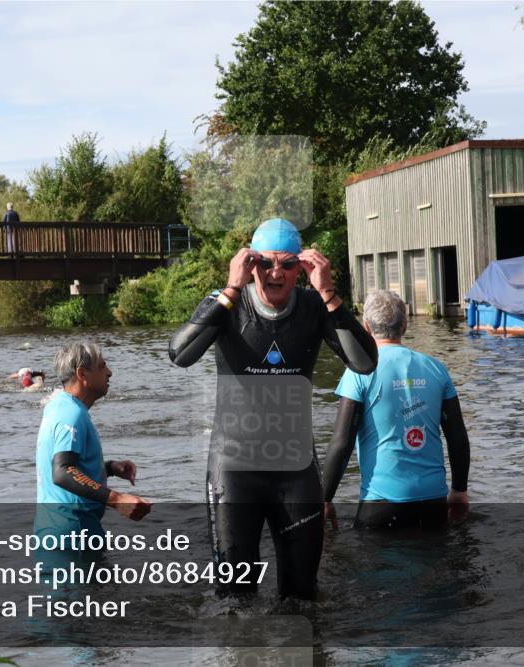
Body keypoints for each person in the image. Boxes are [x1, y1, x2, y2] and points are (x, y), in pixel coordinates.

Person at [168, 217, 377, 599]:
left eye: (287, 264)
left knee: (302, 596)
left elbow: (365, 363)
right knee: (234, 597)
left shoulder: (316, 307)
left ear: (303, 267)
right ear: (249, 265)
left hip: (294, 470)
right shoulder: (226, 304)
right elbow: (180, 355)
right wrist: (231, 288)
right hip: (234, 468)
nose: (275, 273)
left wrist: (329, 293)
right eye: (265, 263)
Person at [322, 290, 470, 532]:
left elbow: (341, 442)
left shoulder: (359, 372)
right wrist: (460, 490)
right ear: (405, 323)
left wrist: (325, 499)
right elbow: (457, 437)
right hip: (433, 500)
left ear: (366, 327)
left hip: (381, 503)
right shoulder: (436, 368)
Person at [34, 341, 150, 558]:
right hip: (72, 537)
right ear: (82, 374)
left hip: (61, 533)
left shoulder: (60, 406)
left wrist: (109, 468)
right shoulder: (70, 414)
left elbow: (67, 467)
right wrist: (117, 499)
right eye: (102, 366)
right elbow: (62, 472)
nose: (110, 372)